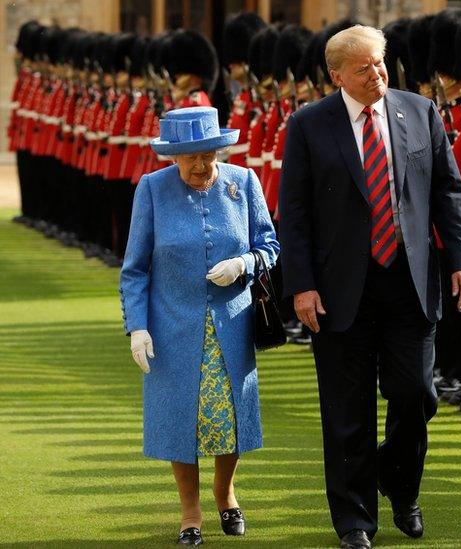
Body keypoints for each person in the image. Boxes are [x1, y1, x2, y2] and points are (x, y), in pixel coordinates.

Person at [277, 25, 461, 549]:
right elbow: (292, 215)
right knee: (348, 411)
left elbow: (448, 193)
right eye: (363, 68)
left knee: (416, 395)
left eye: (380, 63)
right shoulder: (308, 125)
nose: (376, 75)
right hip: (340, 289)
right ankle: (355, 522)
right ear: (337, 75)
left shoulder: (420, 111)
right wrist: (301, 286)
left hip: (410, 282)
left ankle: (401, 485)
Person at [119, 106, 279, 546]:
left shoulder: (243, 182)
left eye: (207, 154)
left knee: (229, 416)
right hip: (172, 326)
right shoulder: (152, 190)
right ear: (172, 157)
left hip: (232, 323)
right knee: (181, 419)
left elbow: (269, 244)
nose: (200, 165)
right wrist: (138, 326)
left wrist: (244, 263)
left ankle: (225, 493)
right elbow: (135, 269)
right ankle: (190, 510)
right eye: (189, 156)